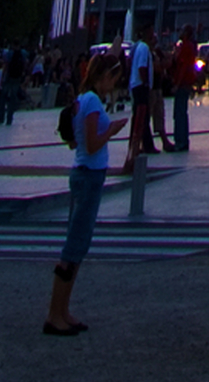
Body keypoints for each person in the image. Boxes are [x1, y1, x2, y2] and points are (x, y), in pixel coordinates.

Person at [46, 50, 118, 336]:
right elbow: (90, 144)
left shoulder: (85, 99)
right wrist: (112, 131)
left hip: (87, 174)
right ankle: (55, 313)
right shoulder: (91, 101)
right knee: (74, 245)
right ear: (105, 76)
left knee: (78, 244)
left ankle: (63, 311)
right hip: (88, 175)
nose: (114, 85)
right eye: (114, 79)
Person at [124, 29, 158, 168]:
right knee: (142, 115)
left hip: (136, 85)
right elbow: (142, 67)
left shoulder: (138, 47)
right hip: (140, 86)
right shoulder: (144, 48)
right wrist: (145, 83)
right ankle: (142, 144)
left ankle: (142, 143)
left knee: (141, 116)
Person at [169, 28, 196, 152]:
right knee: (182, 112)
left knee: (179, 112)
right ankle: (182, 140)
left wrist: (177, 83)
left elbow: (183, 67)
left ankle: (180, 141)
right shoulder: (187, 47)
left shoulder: (186, 47)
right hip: (186, 82)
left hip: (183, 83)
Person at [0, 41, 28, 127]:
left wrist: (2, 77)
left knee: (3, 97)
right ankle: (9, 118)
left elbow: (6, 65)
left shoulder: (9, 53)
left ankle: (1, 118)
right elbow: (25, 64)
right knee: (13, 97)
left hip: (9, 77)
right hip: (17, 77)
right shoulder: (23, 53)